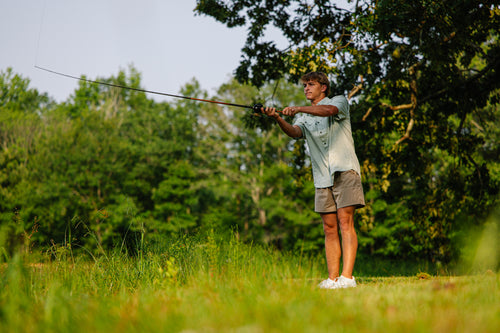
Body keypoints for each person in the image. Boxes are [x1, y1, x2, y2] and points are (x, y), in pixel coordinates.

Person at [261, 72, 365, 289]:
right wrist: (278, 118)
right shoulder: (304, 117)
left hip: (344, 170)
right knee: (329, 228)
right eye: (305, 85)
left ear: (323, 87)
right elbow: (295, 132)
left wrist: (298, 108)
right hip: (321, 176)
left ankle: (347, 278)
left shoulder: (338, 101)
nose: (306, 88)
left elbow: (329, 111)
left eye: (311, 84)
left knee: (345, 222)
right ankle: (333, 279)